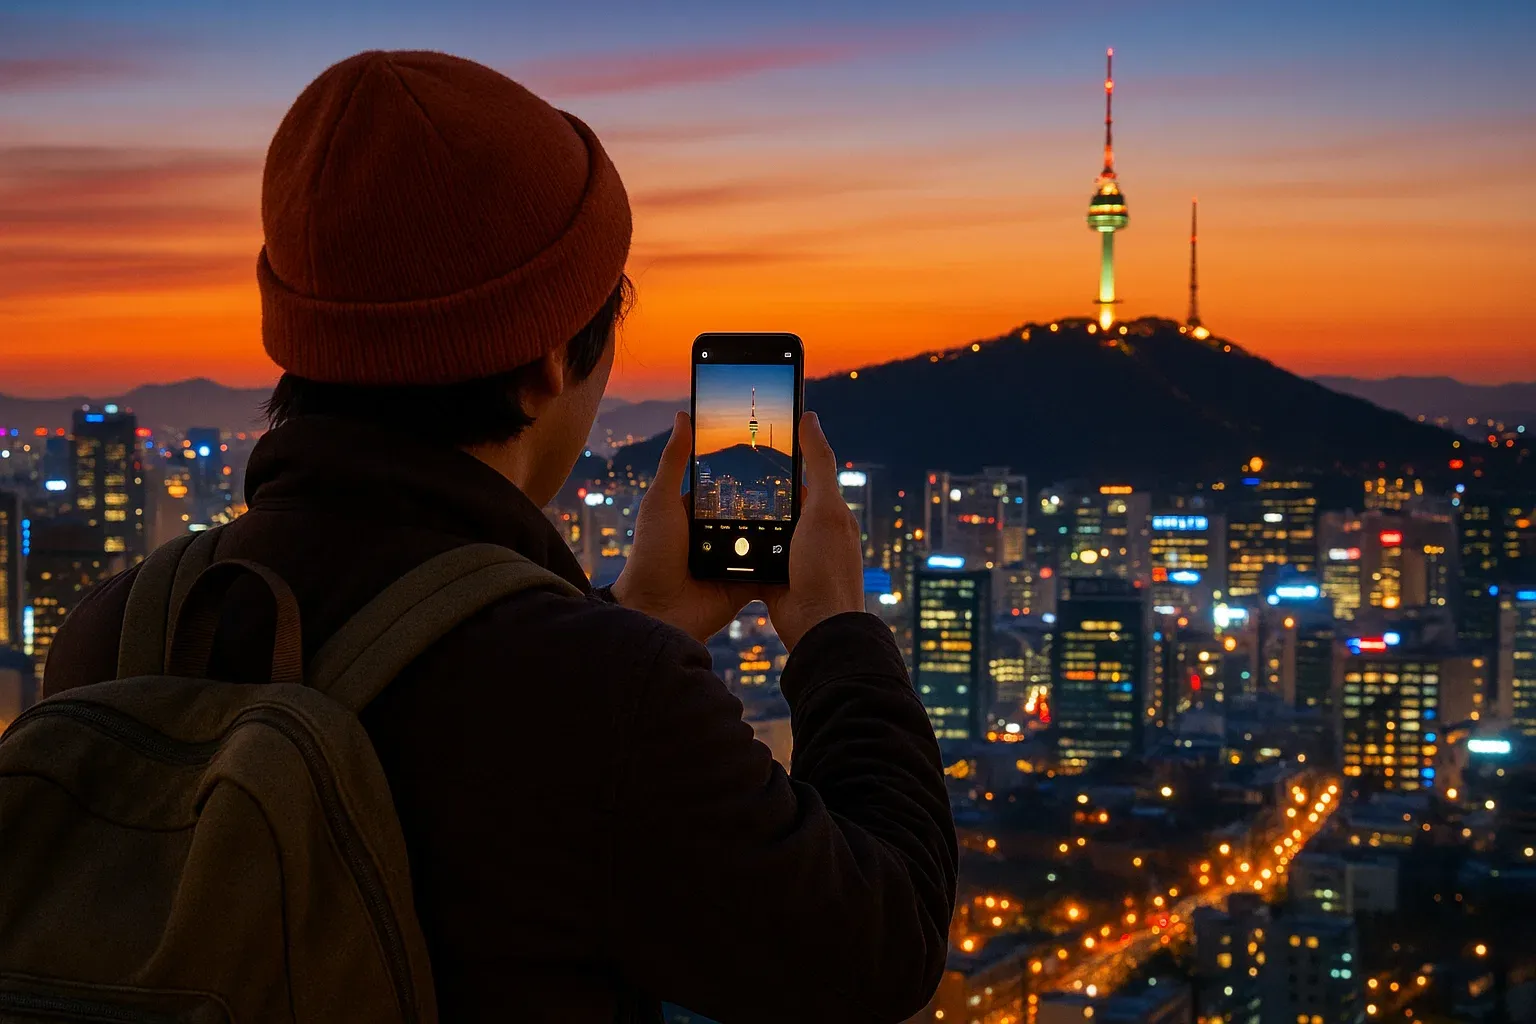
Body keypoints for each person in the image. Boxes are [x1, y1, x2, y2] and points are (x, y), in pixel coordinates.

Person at [44, 50, 956, 1023]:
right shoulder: (604, 705)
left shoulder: (117, 632)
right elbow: (881, 938)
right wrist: (833, 631)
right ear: (547, 363)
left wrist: (636, 617)